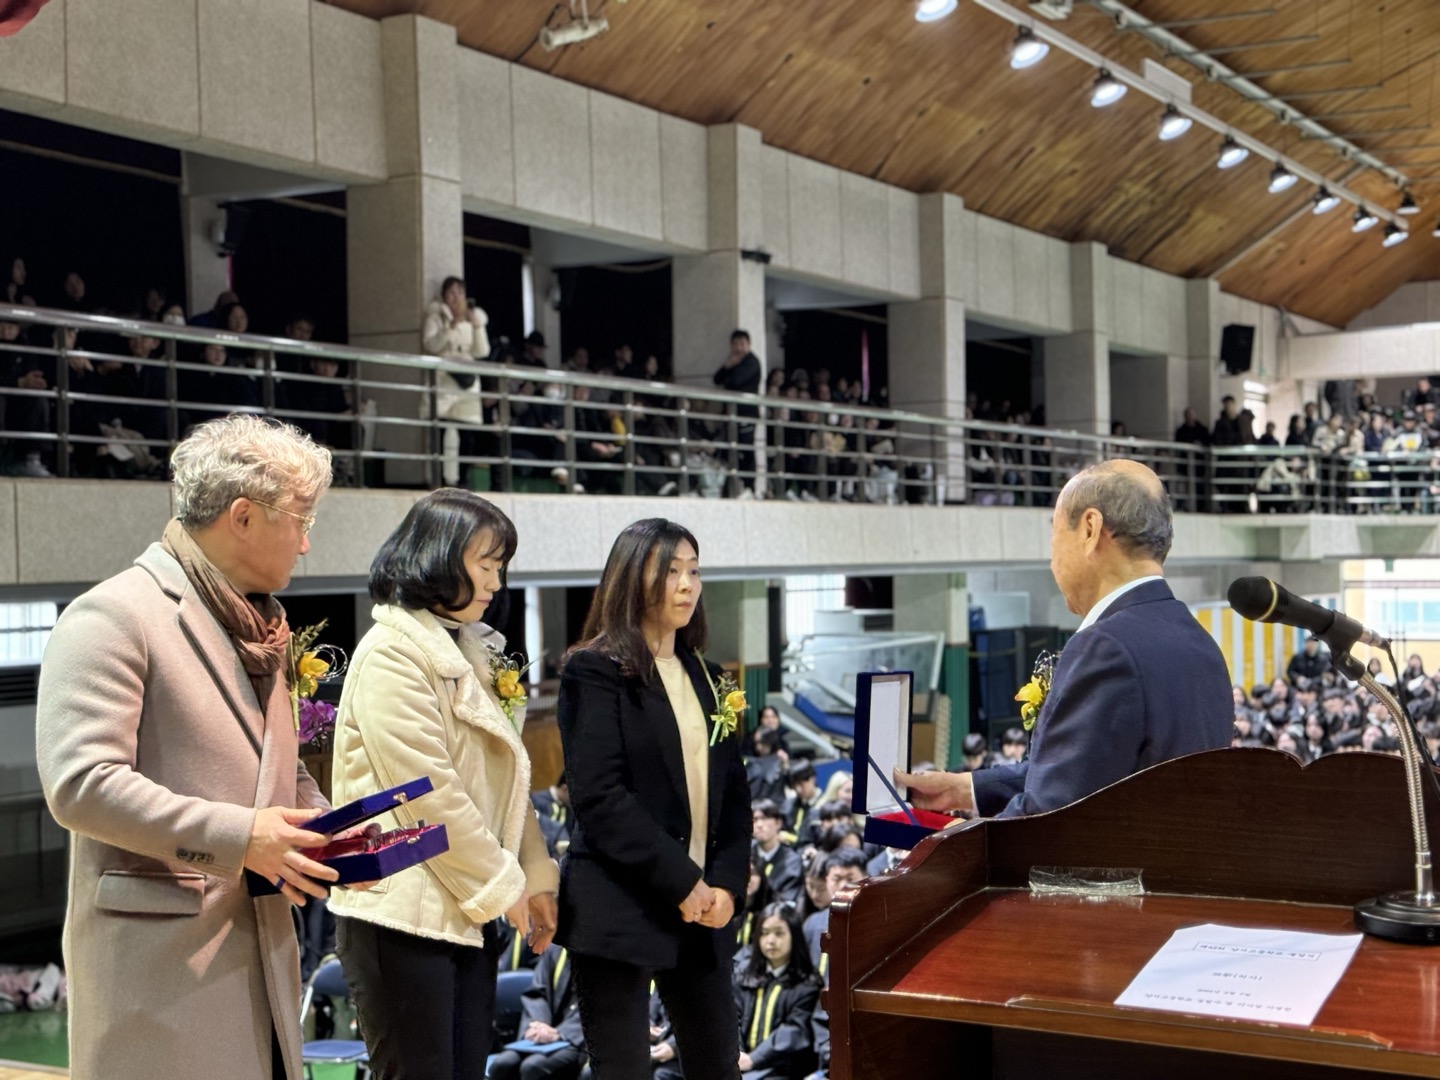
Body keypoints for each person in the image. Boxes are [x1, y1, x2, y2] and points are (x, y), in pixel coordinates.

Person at [35, 415, 336, 1080]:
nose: (307, 543)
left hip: (259, 956)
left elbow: (274, 768)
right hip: (162, 974)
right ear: (243, 517)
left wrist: (324, 826)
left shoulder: (258, 625)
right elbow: (81, 784)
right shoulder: (113, 615)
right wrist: (241, 837)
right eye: (301, 519)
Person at [331, 489, 559, 1080]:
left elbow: (507, 780)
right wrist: (506, 885)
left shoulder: (468, 647)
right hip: (400, 913)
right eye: (486, 563)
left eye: (500, 566)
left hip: (463, 904)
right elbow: (428, 796)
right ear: (438, 556)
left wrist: (535, 873)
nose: (496, 582)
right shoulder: (392, 653)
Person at [898, 459, 1232, 818]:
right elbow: (1092, 776)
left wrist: (952, 839)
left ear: (1090, 529)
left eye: (1054, 535)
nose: (1051, 559)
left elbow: (1052, 815)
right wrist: (966, 790)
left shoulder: (1107, 647)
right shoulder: (1200, 643)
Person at [555, 518, 751, 1080]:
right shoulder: (594, 670)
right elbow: (600, 797)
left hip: (704, 909)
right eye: (670, 571)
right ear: (632, 578)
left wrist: (726, 886)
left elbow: (734, 798)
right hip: (621, 905)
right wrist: (682, 882)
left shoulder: (709, 676)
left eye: (694, 571)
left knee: (719, 1066)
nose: (687, 584)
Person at [733, 903, 821, 1080]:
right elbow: (733, 1018)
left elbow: (795, 1031)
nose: (771, 940)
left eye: (779, 933)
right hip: (740, 1062)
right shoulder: (743, 974)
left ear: (794, 936)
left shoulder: (807, 983)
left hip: (782, 1069)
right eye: (764, 933)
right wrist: (738, 1054)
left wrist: (754, 1058)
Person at [421, 276, 491, 486]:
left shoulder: (473, 318)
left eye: (460, 292)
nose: (456, 297)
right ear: (443, 296)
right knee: (438, 432)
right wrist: (451, 326)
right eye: (451, 292)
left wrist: (477, 327)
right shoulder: (435, 318)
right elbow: (430, 345)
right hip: (443, 381)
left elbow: (482, 351)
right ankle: (437, 480)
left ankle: (463, 481)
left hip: (466, 381)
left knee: (467, 434)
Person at [487, 945, 586, 1080]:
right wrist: (539, 1025)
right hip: (546, 1033)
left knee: (532, 1067)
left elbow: (600, 1005)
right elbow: (537, 993)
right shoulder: (555, 949)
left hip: (578, 1039)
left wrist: (560, 1033)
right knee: (502, 1064)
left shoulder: (599, 952)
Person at [714, 329, 762, 496]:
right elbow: (717, 379)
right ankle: (729, 487)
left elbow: (734, 381)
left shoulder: (752, 362)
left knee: (746, 450)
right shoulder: (732, 361)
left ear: (748, 345)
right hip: (731, 414)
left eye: (742, 344)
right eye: (735, 344)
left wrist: (731, 367)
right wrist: (727, 366)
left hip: (746, 413)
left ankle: (750, 486)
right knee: (730, 450)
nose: (738, 348)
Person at [750, 799, 803, 904]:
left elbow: (787, 902)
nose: (759, 824)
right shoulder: (744, 854)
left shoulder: (792, 862)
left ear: (778, 823)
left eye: (764, 818)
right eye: (754, 819)